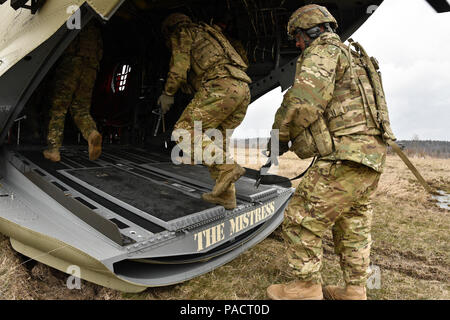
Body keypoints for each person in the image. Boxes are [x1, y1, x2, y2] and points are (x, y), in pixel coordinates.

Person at [266, 4, 396, 300]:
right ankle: (354, 291)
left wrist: (279, 137)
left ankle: (305, 288)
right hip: (370, 157)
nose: (297, 44)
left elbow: (303, 102)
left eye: (298, 37)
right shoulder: (354, 58)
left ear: (313, 30)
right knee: (354, 224)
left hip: (345, 156)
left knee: (301, 218)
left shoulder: (323, 50)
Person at [159, 13, 252, 210]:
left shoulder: (183, 32)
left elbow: (180, 66)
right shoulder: (211, 34)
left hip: (220, 84)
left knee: (183, 131)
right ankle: (227, 196)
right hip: (242, 89)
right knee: (215, 142)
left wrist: (168, 93)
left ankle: (227, 167)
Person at [43, 20, 103, 162]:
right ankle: (91, 134)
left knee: (59, 108)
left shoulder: (70, 18)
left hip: (71, 63)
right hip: (91, 67)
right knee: (81, 108)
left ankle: (53, 149)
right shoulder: (94, 26)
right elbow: (100, 51)